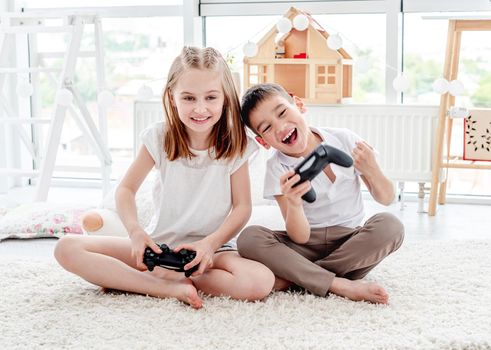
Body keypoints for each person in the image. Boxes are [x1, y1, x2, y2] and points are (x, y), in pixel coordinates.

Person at [54, 47, 275, 309]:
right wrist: (135, 233)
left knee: (259, 281)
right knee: (66, 248)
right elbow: (125, 189)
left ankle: (148, 279)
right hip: (159, 247)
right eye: (189, 98)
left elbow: (242, 207)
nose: (200, 108)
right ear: (172, 97)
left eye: (211, 97)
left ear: (226, 98)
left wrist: (209, 244)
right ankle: (161, 286)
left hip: (212, 249)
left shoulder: (237, 145)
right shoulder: (159, 138)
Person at [237, 83, 404, 304]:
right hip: (305, 247)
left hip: (350, 244)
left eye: (282, 112)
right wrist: (295, 205)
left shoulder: (344, 139)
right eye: (266, 128)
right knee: (249, 238)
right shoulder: (277, 168)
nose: (280, 126)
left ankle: (302, 278)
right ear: (262, 141)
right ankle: (338, 284)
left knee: (391, 226)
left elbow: (387, 197)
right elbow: (300, 237)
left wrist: (372, 170)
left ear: (298, 104)